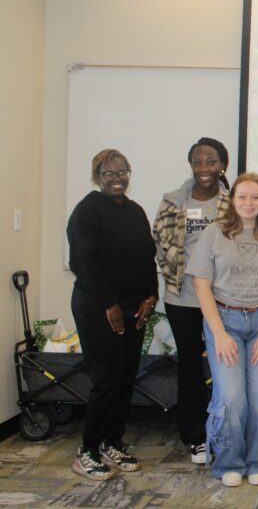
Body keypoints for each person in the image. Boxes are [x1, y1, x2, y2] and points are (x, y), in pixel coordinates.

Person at [187, 173, 258, 487]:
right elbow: (202, 285)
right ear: (232, 200)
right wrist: (219, 334)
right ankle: (229, 463)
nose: (249, 203)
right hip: (225, 323)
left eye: (256, 197)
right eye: (243, 197)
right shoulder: (214, 233)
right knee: (232, 397)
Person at [68, 149, 159, 480]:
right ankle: (88, 450)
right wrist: (110, 304)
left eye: (122, 172)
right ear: (97, 177)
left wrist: (151, 296)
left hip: (134, 307)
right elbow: (83, 262)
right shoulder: (87, 210)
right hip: (97, 307)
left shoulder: (135, 212)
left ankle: (112, 442)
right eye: (109, 174)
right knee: (106, 379)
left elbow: (147, 258)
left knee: (125, 378)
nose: (117, 179)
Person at [154, 137, 230, 465]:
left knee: (225, 366)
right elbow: (160, 243)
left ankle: (224, 432)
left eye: (211, 161)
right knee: (189, 367)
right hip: (182, 298)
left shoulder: (233, 203)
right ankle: (195, 436)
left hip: (222, 298)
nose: (204, 168)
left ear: (222, 166)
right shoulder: (173, 202)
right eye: (197, 162)